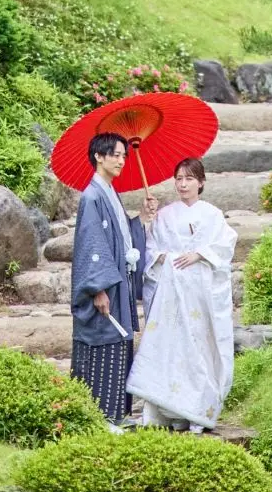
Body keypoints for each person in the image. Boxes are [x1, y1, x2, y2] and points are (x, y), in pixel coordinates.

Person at [125, 156, 238, 429]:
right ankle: (163, 410)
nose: (183, 184)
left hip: (200, 295)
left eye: (189, 178)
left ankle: (195, 409)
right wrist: (165, 258)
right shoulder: (164, 215)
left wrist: (199, 254)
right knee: (168, 347)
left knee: (198, 349)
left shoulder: (211, 214)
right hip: (171, 296)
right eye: (179, 178)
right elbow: (150, 249)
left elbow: (225, 245)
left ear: (201, 182)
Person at [69, 131, 150, 429]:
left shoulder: (109, 192)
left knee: (119, 343)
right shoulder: (92, 196)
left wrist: (140, 218)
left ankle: (115, 414)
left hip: (119, 283)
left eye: (124, 155)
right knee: (104, 342)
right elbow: (92, 243)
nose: (121, 160)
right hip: (104, 287)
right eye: (115, 154)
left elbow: (120, 236)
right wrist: (97, 287)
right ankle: (98, 415)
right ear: (98, 157)